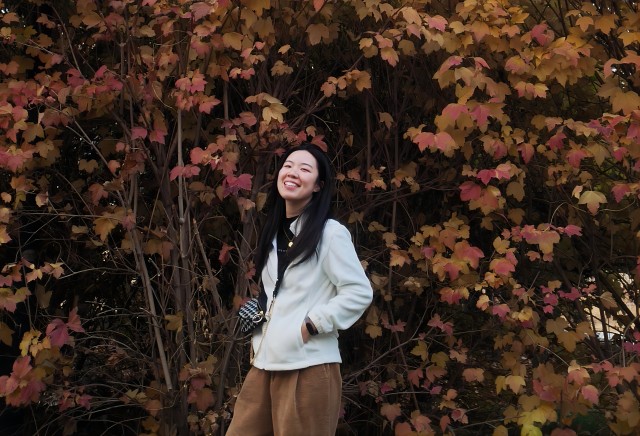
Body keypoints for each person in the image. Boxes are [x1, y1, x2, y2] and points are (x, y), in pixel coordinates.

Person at [227, 143, 373, 436]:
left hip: (308, 366)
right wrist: (260, 308)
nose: (293, 173)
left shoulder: (330, 233)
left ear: (318, 185)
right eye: (288, 166)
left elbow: (359, 291)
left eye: (305, 169)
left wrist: (312, 324)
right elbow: (282, 292)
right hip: (264, 364)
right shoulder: (274, 232)